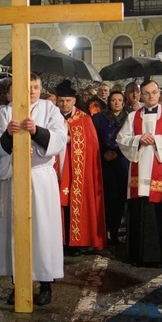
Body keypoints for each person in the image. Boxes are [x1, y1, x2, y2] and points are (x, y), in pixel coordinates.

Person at [0, 73, 66, 306]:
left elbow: (60, 138)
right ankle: (19, 284)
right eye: (28, 86)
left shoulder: (49, 109)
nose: (32, 91)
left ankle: (45, 284)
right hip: (14, 175)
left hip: (40, 178)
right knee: (16, 229)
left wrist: (37, 132)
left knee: (43, 231)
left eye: (36, 87)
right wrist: (8, 136)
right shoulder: (4, 112)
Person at [117, 80, 162, 268]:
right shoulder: (133, 117)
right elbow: (122, 139)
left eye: (154, 92)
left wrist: (156, 140)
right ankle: (140, 256)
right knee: (141, 210)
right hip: (140, 172)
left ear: (159, 92)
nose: (151, 96)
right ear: (141, 95)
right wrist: (138, 139)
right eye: (146, 93)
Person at [55, 80, 107, 256]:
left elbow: (92, 145)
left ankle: (76, 242)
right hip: (57, 167)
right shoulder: (51, 117)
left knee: (74, 203)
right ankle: (59, 240)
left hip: (77, 170)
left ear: (74, 101)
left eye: (68, 101)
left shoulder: (84, 119)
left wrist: (71, 140)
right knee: (56, 203)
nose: (64, 104)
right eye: (61, 100)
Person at [92, 91, 129, 245]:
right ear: (108, 101)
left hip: (122, 161)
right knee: (105, 198)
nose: (116, 103)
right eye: (113, 100)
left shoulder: (130, 118)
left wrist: (119, 152)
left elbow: (132, 138)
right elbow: (93, 138)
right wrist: (103, 152)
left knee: (120, 199)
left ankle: (114, 232)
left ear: (124, 102)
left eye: (119, 100)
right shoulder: (99, 118)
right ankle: (103, 233)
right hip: (103, 162)